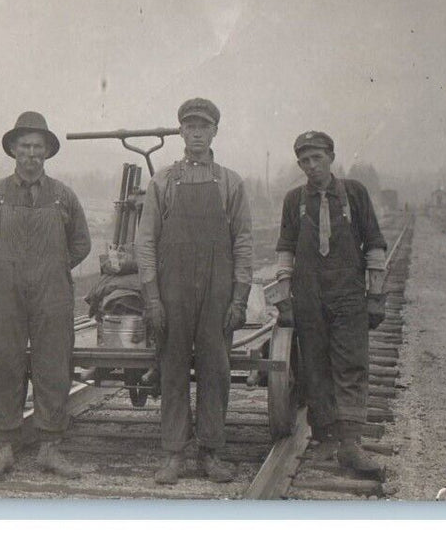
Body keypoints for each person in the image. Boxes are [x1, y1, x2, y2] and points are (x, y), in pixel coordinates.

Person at [0, 111, 91, 482]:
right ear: (14, 151)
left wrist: (55, 267)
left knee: (54, 365)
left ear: (48, 152)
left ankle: (50, 448)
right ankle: (3, 449)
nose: (32, 154)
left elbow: (82, 242)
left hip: (52, 295)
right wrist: (0, 268)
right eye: (25, 147)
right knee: (5, 364)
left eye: (38, 147)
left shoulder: (64, 196)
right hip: (6, 295)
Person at [135, 97, 253, 485]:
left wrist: (239, 298)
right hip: (173, 294)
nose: (197, 132)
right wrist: (153, 298)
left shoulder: (230, 183)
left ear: (215, 131)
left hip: (217, 294)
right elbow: (146, 244)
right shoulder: (163, 181)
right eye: (190, 126)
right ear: (181, 132)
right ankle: (174, 454)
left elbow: (243, 244)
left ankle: (212, 452)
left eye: (204, 126)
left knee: (215, 370)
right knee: (171, 369)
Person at [274, 130, 388, 475]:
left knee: (351, 366)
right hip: (308, 298)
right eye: (305, 161)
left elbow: (375, 246)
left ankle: (351, 443)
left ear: (331, 157)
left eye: (317, 158)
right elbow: (285, 251)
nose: (312, 166)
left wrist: (377, 295)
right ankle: (325, 440)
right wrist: (284, 299)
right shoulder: (294, 201)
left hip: (349, 296)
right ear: (299, 164)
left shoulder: (355, 194)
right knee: (316, 369)